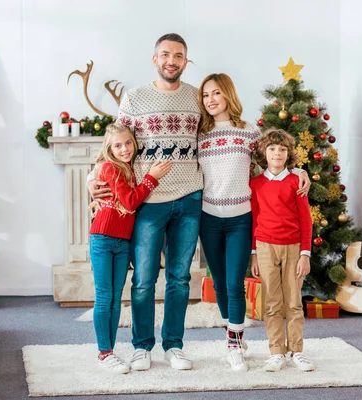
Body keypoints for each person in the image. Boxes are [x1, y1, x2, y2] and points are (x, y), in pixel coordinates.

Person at [88, 33, 203, 371]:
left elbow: (219, 137)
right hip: (148, 200)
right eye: (165, 54)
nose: (172, 60)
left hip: (190, 197)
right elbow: (113, 143)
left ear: (186, 61)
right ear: (155, 59)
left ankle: (174, 345)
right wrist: (92, 180)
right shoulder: (134, 98)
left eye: (179, 55)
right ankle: (141, 346)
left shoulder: (197, 98)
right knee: (143, 279)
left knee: (180, 278)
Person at [197, 73, 310, 372]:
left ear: (229, 95)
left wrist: (301, 172)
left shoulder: (249, 133)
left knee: (235, 284)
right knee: (219, 283)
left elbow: (275, 161)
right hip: (208, 219)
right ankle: (233, 335)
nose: (211, 99)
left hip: (240, 220)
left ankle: (234, 346)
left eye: (217, 93)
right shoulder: (199, 135)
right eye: (206, 94)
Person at [88, 123, 172, 374]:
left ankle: (109, 352)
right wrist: (152, 179)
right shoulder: (110, 167)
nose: (124, 149)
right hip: (102, 238)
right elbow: (131, 201)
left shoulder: (128, 168)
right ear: (109, 148)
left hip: (122, 241)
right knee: (105, 297)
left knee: (115, 299)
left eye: (127, 143)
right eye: (117, 145)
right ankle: (104, 353)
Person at [250, 128, 315, 372]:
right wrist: (254, 253)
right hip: (265, 247)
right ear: (264, 153)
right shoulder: (256, 184)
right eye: (272, 149)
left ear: (289, 154)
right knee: (272, 303)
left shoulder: (296, 181)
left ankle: (296, 351)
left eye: (282, 149)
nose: (277, 153)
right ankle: (276, 351)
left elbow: (306, 220)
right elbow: (254, 219)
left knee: (294, 302)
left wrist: (305, 254)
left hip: (293, 248)